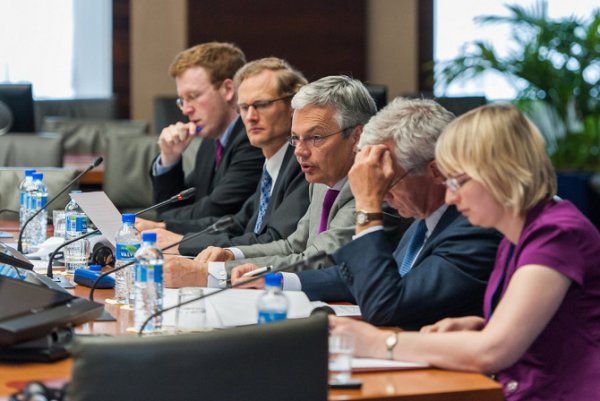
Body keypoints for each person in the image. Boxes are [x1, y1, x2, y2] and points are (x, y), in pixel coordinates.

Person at [329, 104, 600, 401]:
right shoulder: (519, 234)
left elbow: (492, 351)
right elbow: (553, 324)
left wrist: (379, 343)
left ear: (500, 173)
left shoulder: (557, 233)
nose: (450, 196)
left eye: (458, 181)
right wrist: (482, 324)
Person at [233, 97, 501, 330]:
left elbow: (386, 305)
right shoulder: (425, 223)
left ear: (435, 172)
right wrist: (277, 280)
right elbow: (357, 276)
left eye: (387, 180)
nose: (383, 194)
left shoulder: (473, 230)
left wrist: (367, 203)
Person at [162, 75, 378, 288]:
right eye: (296, 139)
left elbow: (320, 260)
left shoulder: (370, 187)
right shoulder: (322, 179)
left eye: (315, 138)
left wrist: (212, 274)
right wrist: (231, 255)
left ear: (356, 137)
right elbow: (293, 245)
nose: (300, 152)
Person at [144, 57, 310, 255]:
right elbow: (237, 222)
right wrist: (164, 229)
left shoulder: (303, 161)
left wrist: (181, 243)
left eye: (262, 104)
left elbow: (274, 240)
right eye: (244, 107)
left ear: (293, 107)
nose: (250, 117)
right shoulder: (272, 162)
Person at [136, 42, 264, 231]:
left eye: (193, 96)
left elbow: (213, 211)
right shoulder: (210, 141)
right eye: (182, 100)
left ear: (228, 90)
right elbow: (176, 205)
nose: (186, 110)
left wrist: (162, 225)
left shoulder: (252, 141)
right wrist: (170, 159)